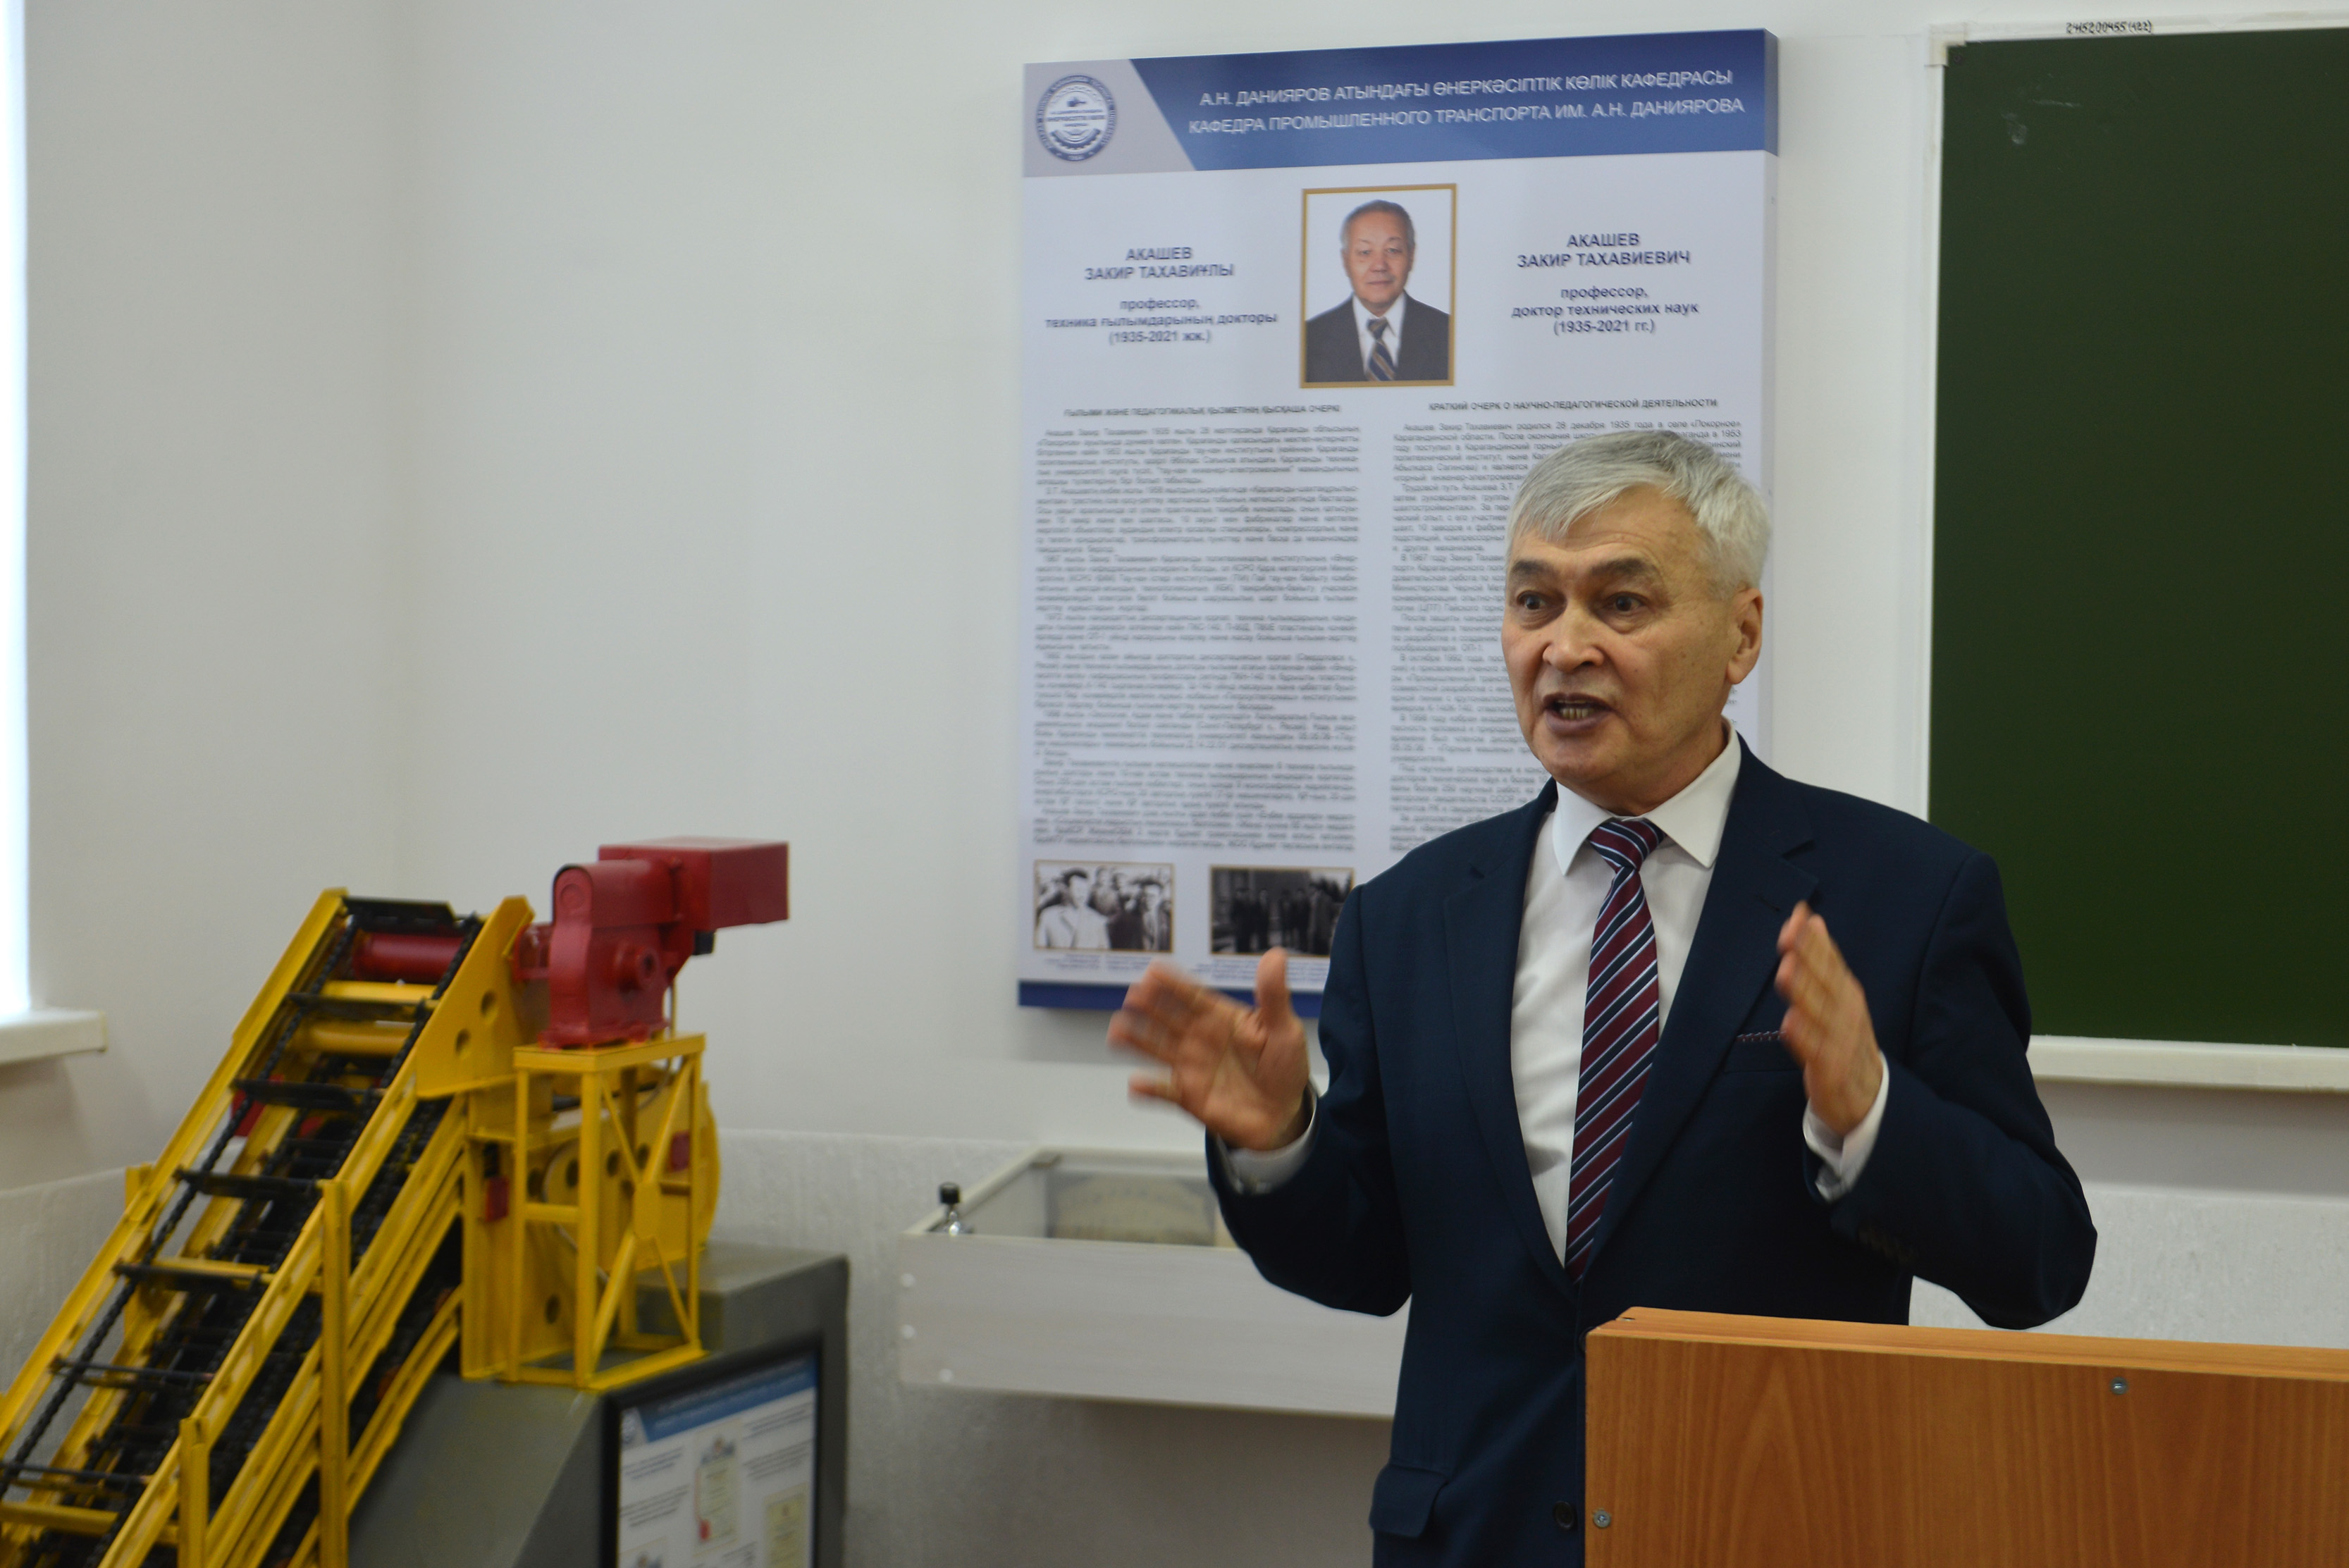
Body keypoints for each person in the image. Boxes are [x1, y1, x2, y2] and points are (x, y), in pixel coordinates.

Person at [1111, 431, 2095, 1566]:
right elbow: (1363, 1263)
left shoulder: (1905, 897)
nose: (1564, 646)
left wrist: (1871, 1114)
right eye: (1534, 601)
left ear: (1741, 634)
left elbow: (2039, 1259)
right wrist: (1281, 1141)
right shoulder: (1411, 915)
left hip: (1760, 1529)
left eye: (1621, 604)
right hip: (1472, 1537)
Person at [1303, 199, 1453, 384]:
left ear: (1411, 256)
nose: (1380, 266)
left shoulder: (1449, 334)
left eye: (1392, 250)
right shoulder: (1308, 339)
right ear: (1345, 260)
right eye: (1365, 252)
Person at [1034, 868, 1109, 949]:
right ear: (1067, 890)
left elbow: (1104, 952)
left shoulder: (1098, 921)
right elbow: (1038, 951)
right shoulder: (1048, 916)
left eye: (1085, 890)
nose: (1082, 895)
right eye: (1078, 890)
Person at [1109, 878, 1173, 952]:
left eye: (1152, 896)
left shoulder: (1168, 920)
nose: (1148, 899)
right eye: (1145, 896)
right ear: (1140, 897)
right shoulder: (1127, 920)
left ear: (1160, 898)